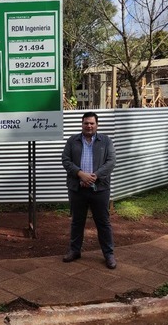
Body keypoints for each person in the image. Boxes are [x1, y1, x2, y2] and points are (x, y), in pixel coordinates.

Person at [61, 112, 117, 269]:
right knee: (77, 221)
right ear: (82, 124)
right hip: (77, 188)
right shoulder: (73, 141)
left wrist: (94, 176)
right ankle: (74, 250)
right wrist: (80, 174)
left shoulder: (105, 141)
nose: (89, 126)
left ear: (97, 125)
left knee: (103, 223)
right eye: (86, 123)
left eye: (92, 123)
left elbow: (111, 162)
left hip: (100, 188)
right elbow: (65, 160)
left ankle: (109, 254)